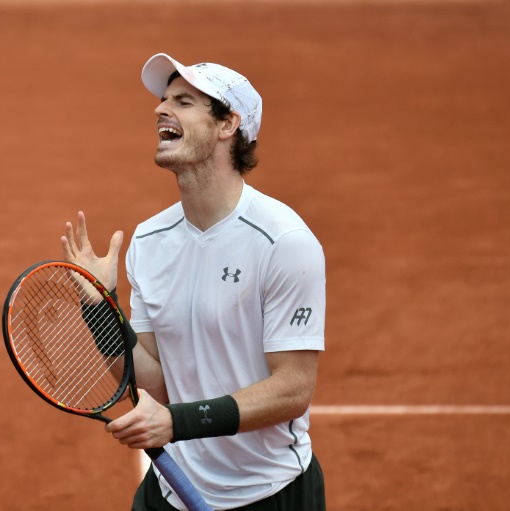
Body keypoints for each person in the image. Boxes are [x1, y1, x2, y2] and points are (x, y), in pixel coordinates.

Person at [60, 53, 326, 511]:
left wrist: (177, 423)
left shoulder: (283, 242)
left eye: (183, 102)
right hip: (174, 490)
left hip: (268, 492)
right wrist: (100, 309)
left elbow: (293, 389)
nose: (160, 110)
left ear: (228, 126)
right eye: (163, 100)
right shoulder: (149, 241)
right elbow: (157, 386)